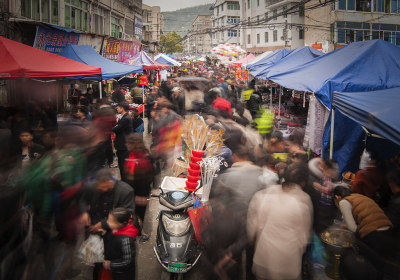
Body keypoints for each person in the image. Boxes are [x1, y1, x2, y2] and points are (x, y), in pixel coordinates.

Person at [247, 162, 313, 280]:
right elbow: (304, 236)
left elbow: (252, 225)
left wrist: (252, 238)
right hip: (287, 261)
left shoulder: (265, 193)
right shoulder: (304, 199)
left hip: (264, 255)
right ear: (303, 182)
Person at [333, 186, 395, 258]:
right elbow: (366, 218)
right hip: (388, 232)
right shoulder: (360, 197)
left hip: (374, 234)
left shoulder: (343, 202)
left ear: (337, 197)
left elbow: (353, 229)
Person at [101, 208, 138, 280]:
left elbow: (127, 261)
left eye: (111, 221)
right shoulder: (116, 229)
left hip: (122, 275)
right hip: (113, 269)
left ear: (121, 224)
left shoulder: (125, 240)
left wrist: (110, 264)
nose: (108, 222)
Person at [124, 133, 154, 223]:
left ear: (134, 144)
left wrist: (142, 196)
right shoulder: (128, 155)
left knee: (141, 214)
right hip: (131, 192)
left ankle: (142, 231)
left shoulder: (146, 158)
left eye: (128, 143)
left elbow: (149, 178)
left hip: (141, 195)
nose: (126, 145)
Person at [112, 102, 132, 182]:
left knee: (122, 164)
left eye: (118, 107)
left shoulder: (126, 118)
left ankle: (125, 181)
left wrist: (113, 128)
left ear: (122, 108)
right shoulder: (125, 117)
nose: (117, 108)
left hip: (123, 145)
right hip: (123, 144)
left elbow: (116, 129)